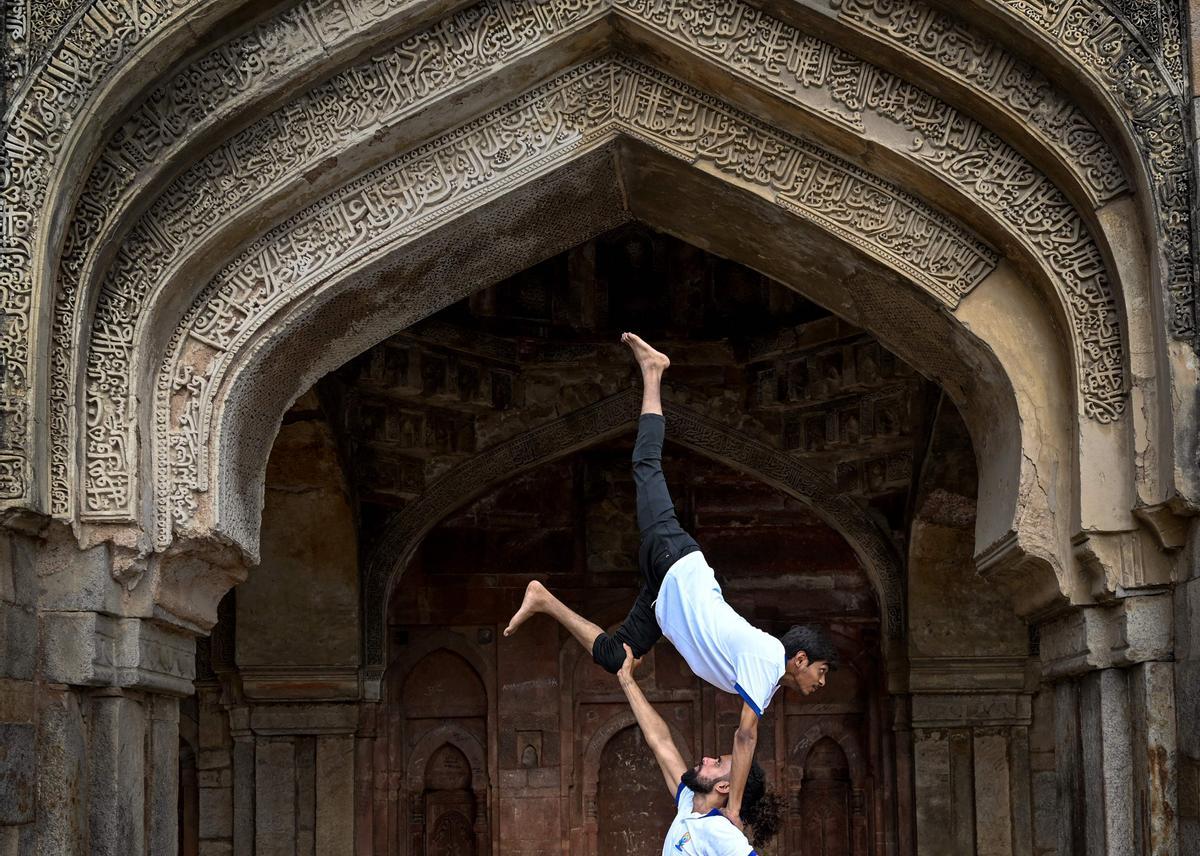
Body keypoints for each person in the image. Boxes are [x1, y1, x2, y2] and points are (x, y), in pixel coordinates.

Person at [504, 332, 838, 828]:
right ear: (801, 659)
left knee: (615, 658)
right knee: (645, 466)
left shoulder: (764, 681)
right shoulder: (768, 661)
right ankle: (654, 373)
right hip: (677, 562)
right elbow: (745, 739)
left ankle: (544, 600)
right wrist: (736, 810)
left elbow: (746, 735)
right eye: (822, 672)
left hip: (664, 599)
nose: (820, 683)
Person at [615, 643, 781, 854]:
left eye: (718, 763)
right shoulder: (688, 803)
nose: (707, 759)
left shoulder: (721, 832)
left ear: (723, 787)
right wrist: (627, 679)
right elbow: (661, 741)